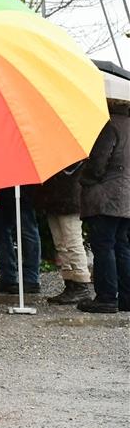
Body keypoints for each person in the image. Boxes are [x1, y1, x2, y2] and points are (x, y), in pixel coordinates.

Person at [77, 97, 129, 313]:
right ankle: (126, 298)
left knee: (104, 245)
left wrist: (84, 178)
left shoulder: (109, 127)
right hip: (126, 198)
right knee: (122, 245)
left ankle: (106, 297)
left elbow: (98, 164)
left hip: (105, 197)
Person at [36, 166, 94, 305]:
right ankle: (71, 284)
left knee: (72, 242)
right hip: (56, 199)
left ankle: (81, 285)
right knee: (61, 244)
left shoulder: (73, 156)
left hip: (68, 198)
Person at [0, 185, 41, 295]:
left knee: (26, 230)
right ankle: (9, 276)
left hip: (20, 187)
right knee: (0, 230)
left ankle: (29, 278)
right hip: (3, 187)